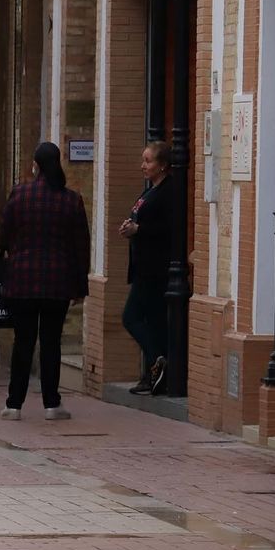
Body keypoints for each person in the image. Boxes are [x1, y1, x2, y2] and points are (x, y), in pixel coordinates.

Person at [0, 142, 91, 421]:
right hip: (57, 283)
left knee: (23, 341)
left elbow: (2, 234)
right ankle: (51, 404)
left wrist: (5, 255)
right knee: (51, 342)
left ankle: (14, 404)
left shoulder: (19, 194)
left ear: (35, 165)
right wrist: (80, 286)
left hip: (22, 281)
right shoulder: (71, 200)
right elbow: (81, 246)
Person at [121, 140, 173, 395]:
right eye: (143, 160)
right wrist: (130, 226)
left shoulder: (168, 192)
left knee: (130, 317)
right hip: (142, 266)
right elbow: (140, 219)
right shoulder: (150, 191)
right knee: (153, 321)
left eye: (148, 161)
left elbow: (168, 229)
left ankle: (159, 359)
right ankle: (153, 376)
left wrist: (139, 229)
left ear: (162, 165)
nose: (143, 165)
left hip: (154, 269)